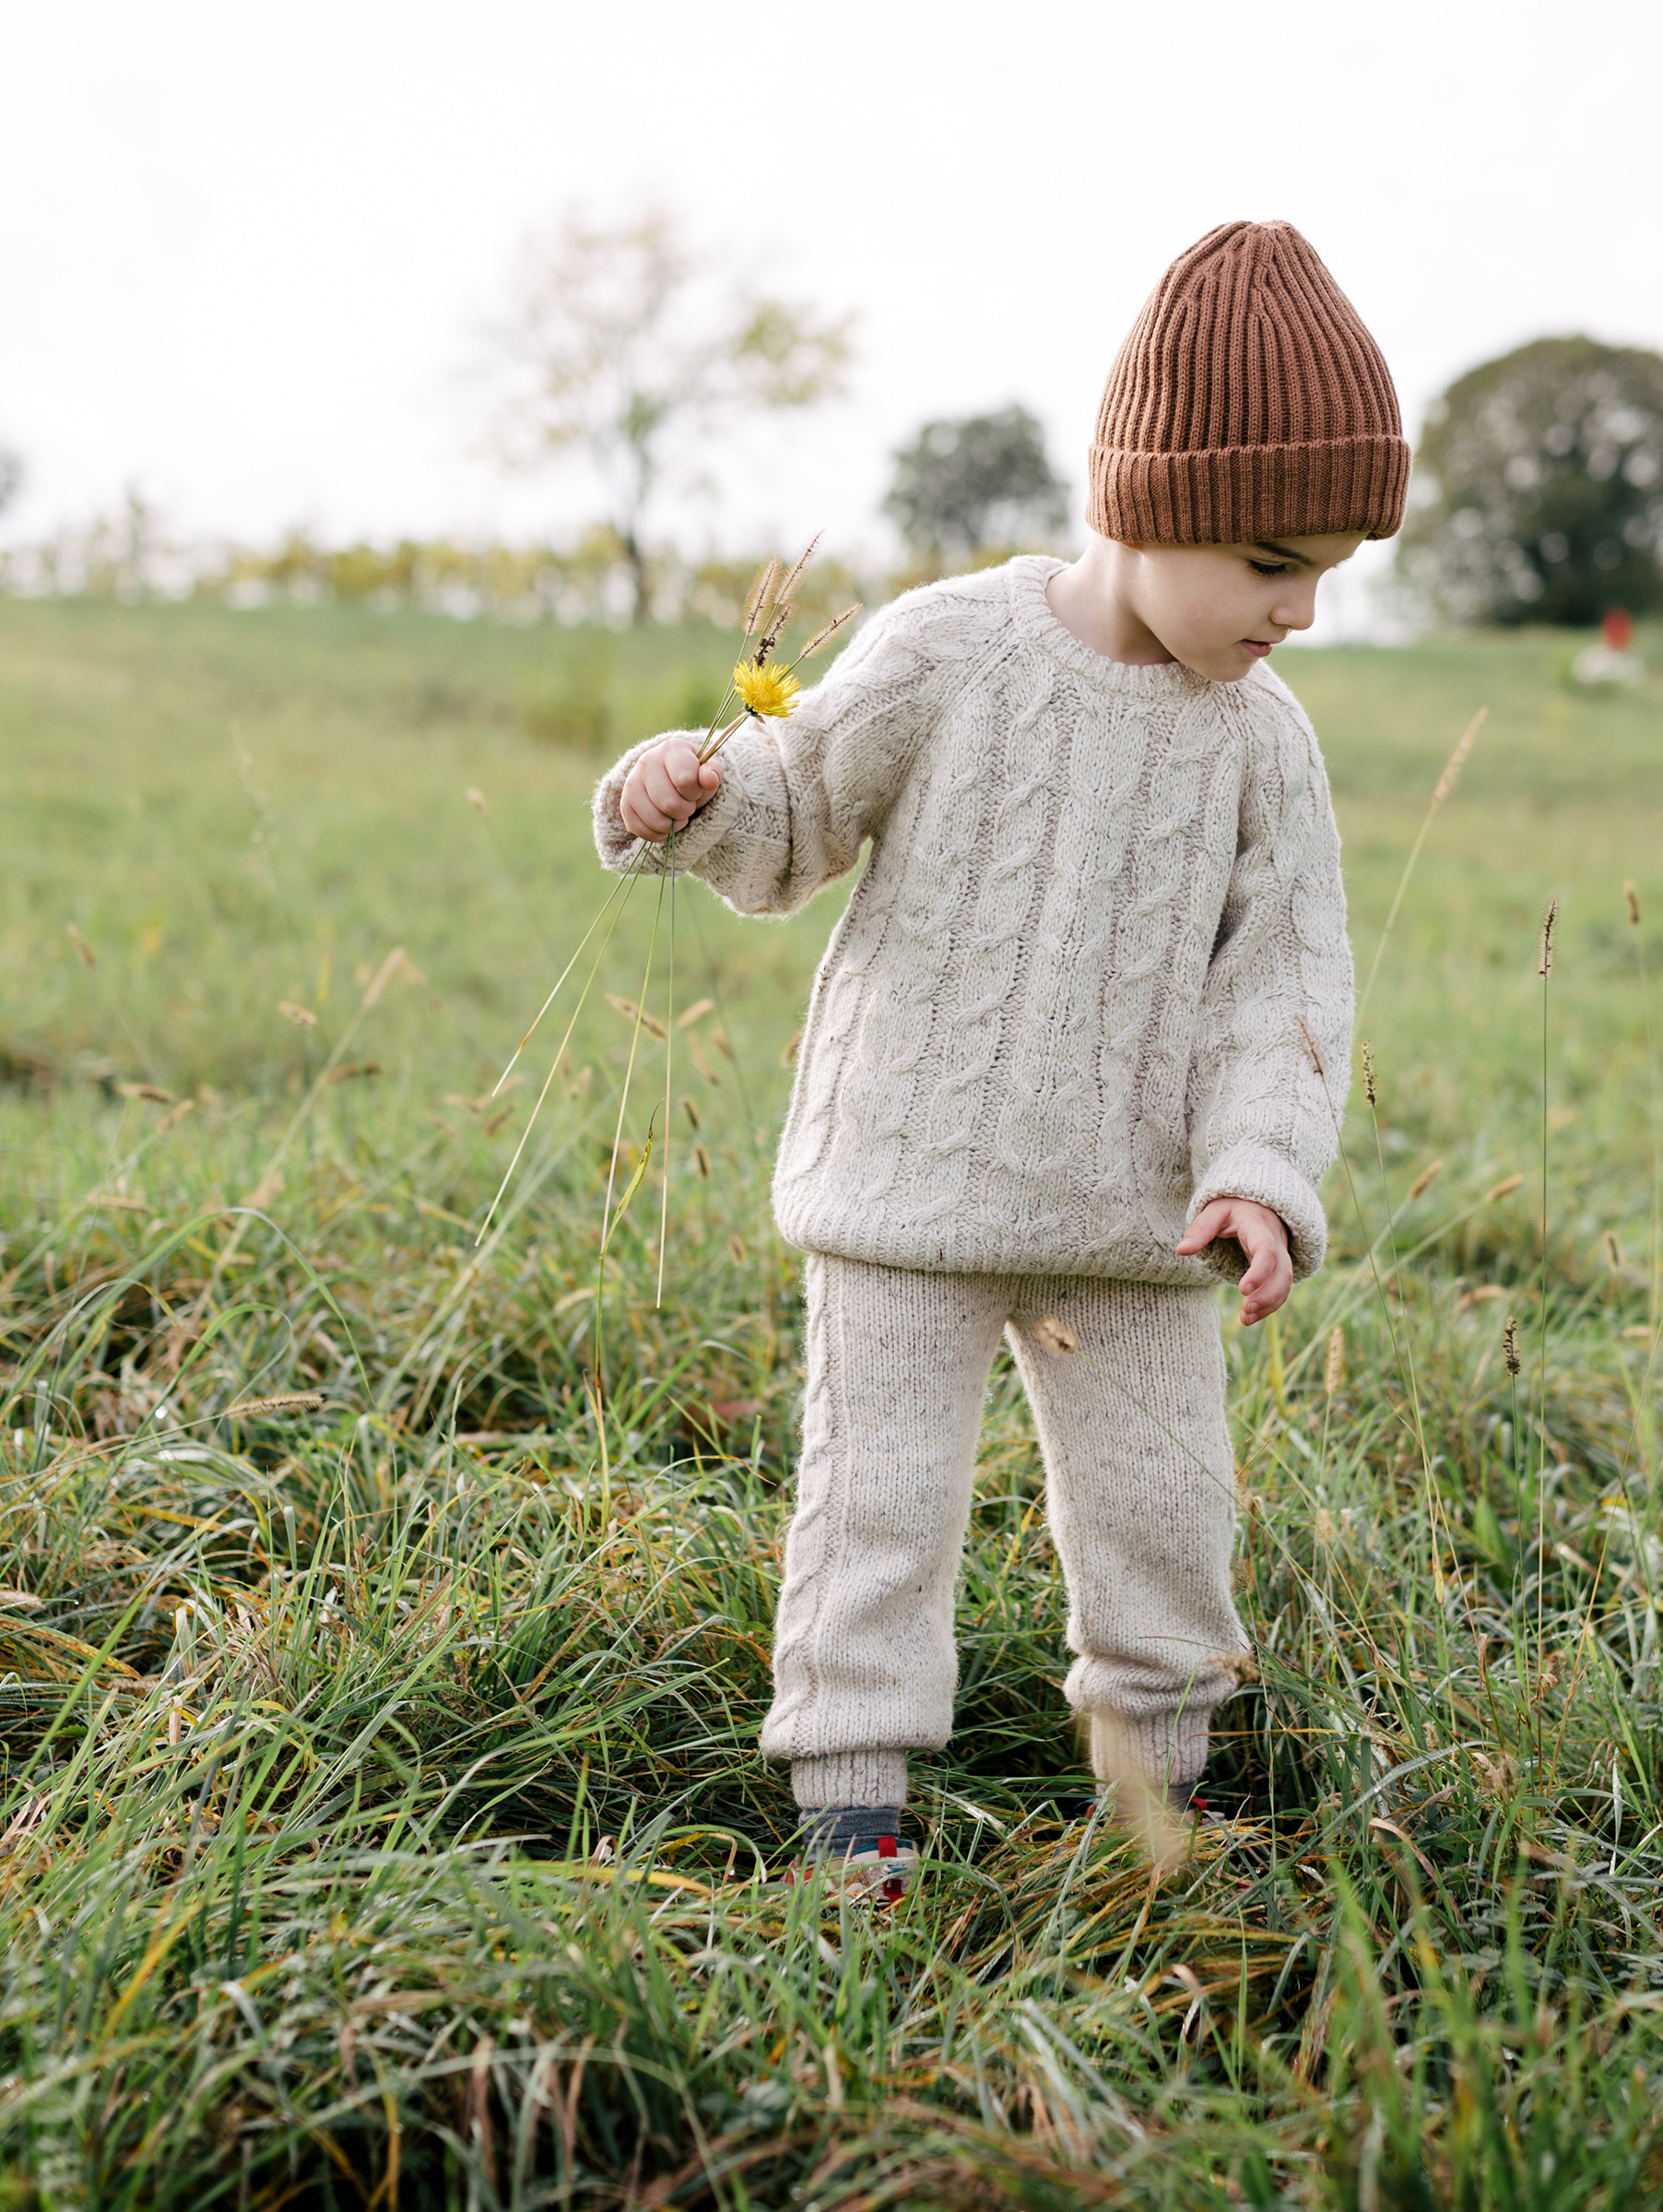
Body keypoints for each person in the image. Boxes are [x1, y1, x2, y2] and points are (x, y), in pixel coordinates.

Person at [594, 220, 1394, 1900]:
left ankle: (1158, 1804)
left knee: (1166, 1528)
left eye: (1327, 570)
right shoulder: (949, 649)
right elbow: (795, 812)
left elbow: (1288, 981)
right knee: (873, 1513)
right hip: (904, 1188)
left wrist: (1258, 1174)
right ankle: (853, 1814)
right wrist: (688, 789)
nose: (1299, 610)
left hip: (1141, 1225)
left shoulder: (1265, 741)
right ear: (1146, 503)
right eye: (1267, 559)